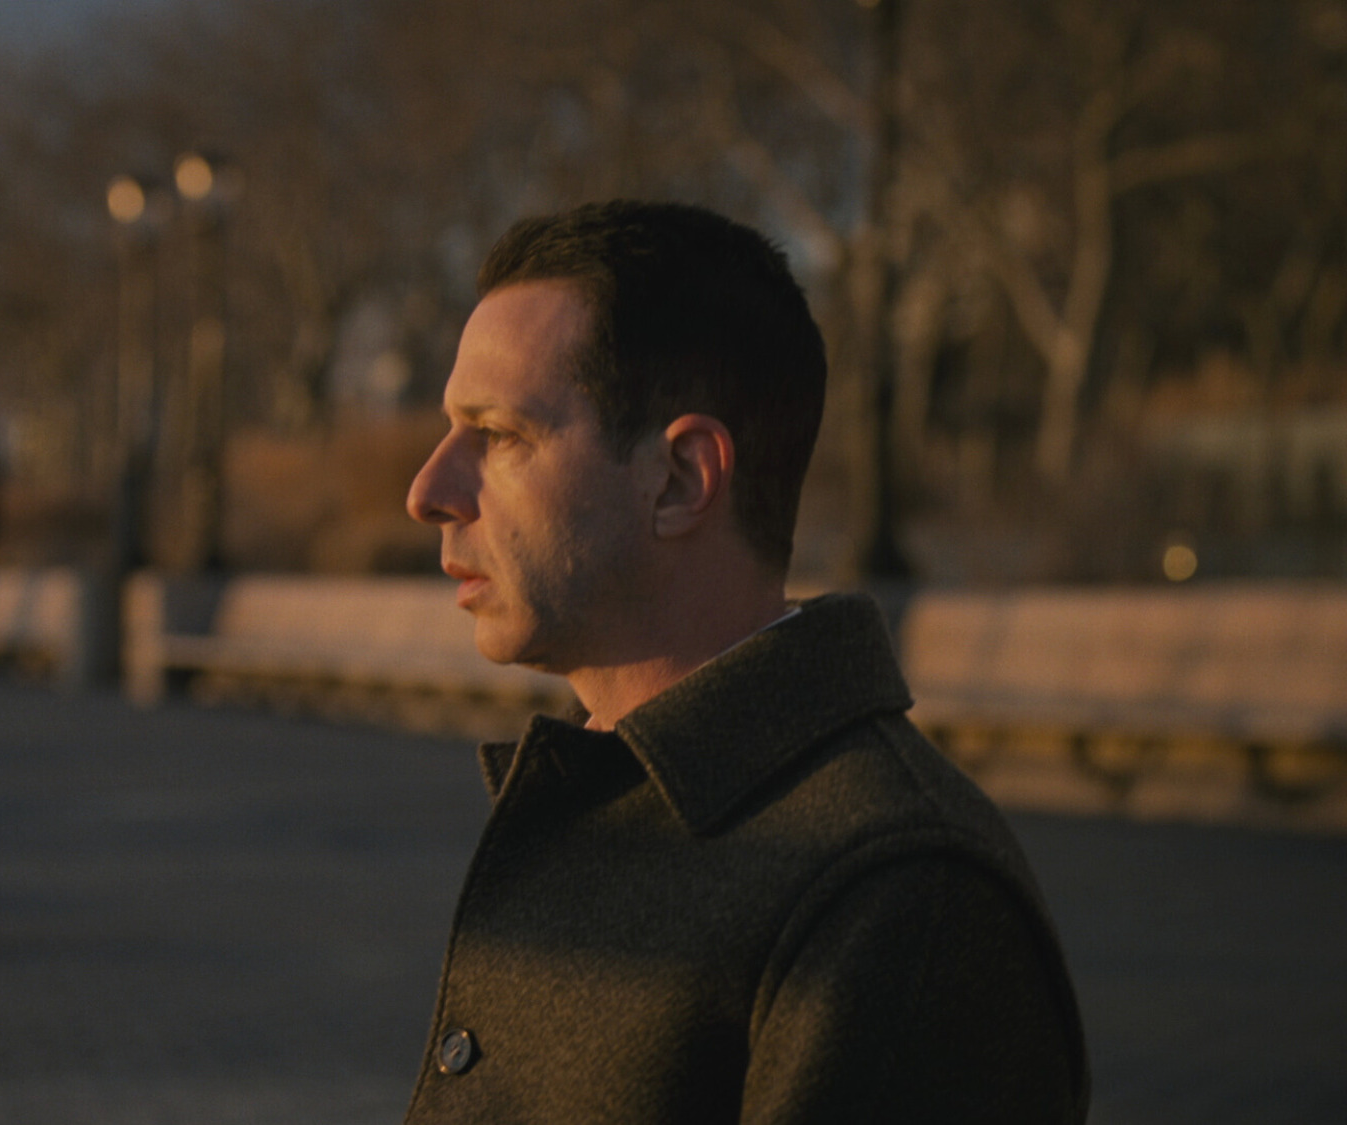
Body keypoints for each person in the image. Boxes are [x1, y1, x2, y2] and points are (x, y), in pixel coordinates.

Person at [400, 201, 1088, 1122]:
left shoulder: (902, 898)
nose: (428, 492)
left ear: (682, 478)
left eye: (500, 437)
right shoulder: (608, 790)